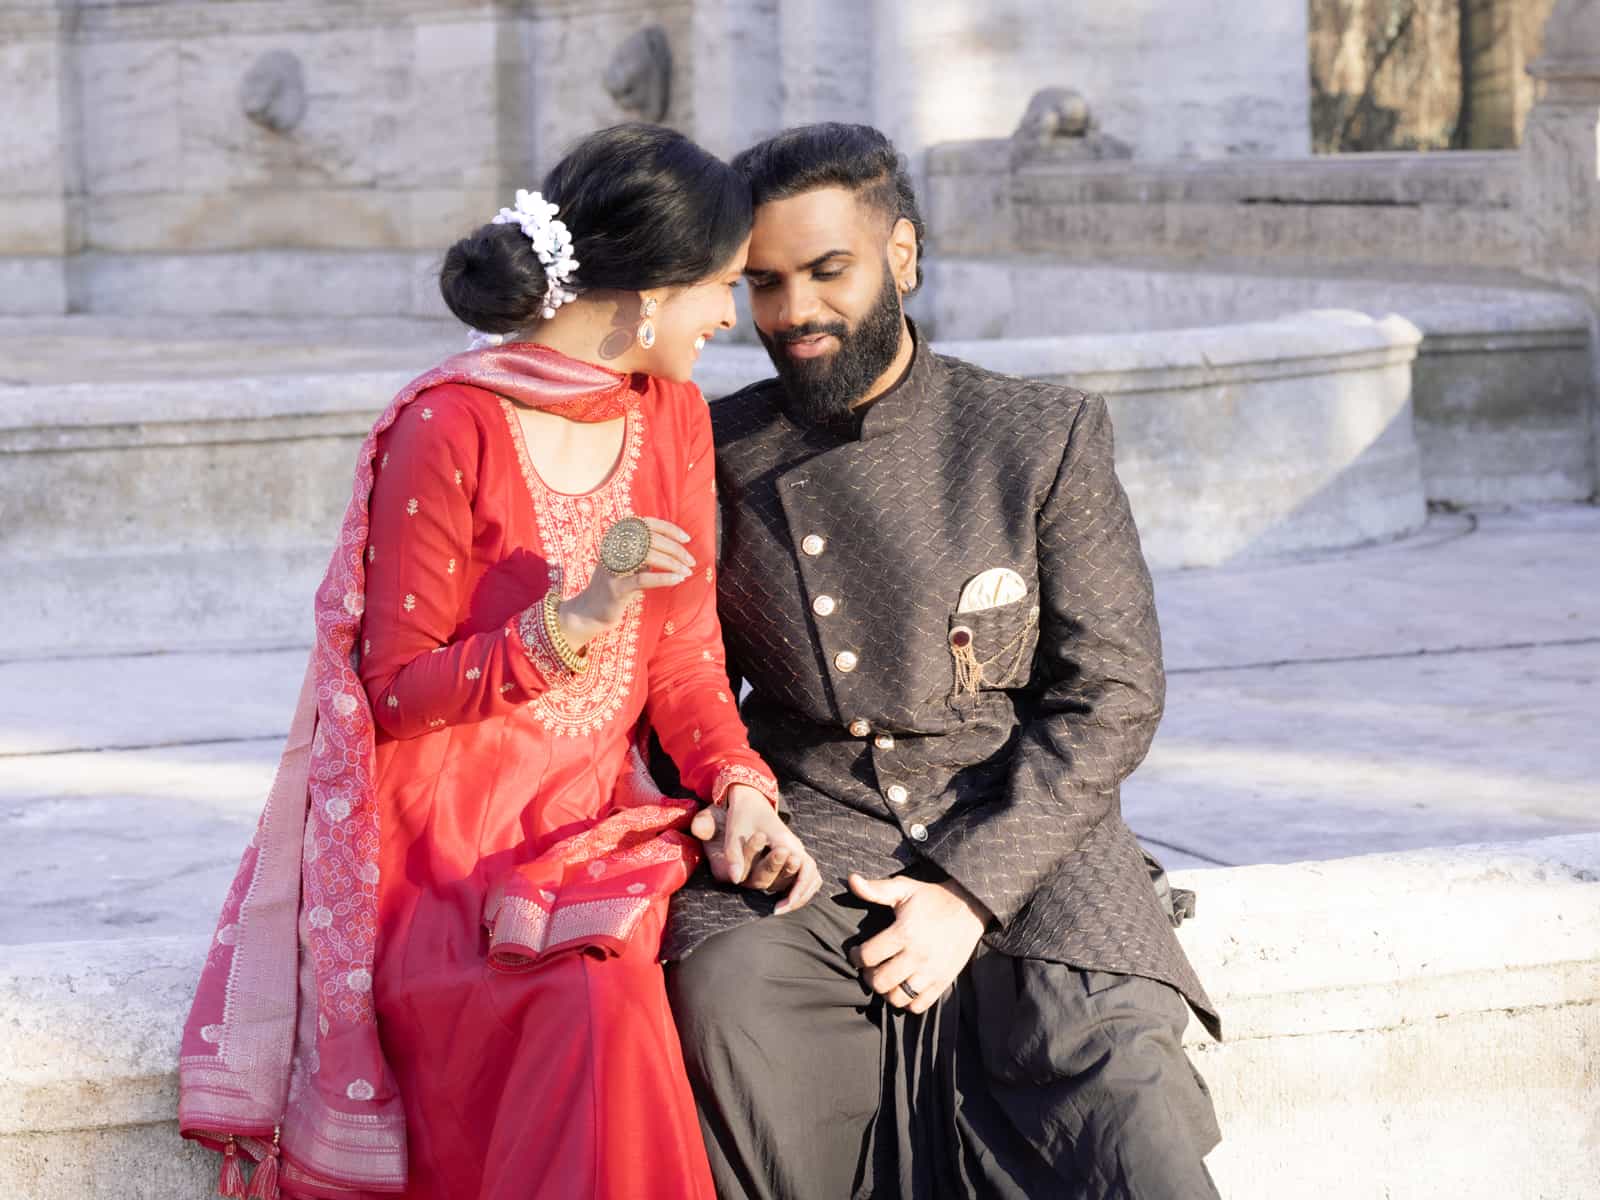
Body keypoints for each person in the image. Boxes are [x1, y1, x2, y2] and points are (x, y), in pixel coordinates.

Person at [176, 123, 820, 1200]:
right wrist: (576, 615)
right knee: (589, 1003)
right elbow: (390, 694)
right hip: (443, 854)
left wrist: (739, 788)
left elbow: (687, 668)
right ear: (653, 292)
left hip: (593, 820)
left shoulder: (672, 418)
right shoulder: (450, 424)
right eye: (721, 285)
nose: (728, 317)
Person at [664, 123, 1223, 1200]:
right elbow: (678, 681)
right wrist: (729, 795)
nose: (795, 315)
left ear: (903, 256)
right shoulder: (711, 447)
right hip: (810, 836)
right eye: (765, 284)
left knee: (1118, 1104)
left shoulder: (1038, 434)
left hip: (1025, 834)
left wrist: (966, 895)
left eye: (829, 271)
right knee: (726, 1002)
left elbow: (1112, 695)